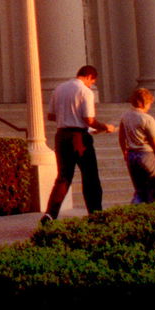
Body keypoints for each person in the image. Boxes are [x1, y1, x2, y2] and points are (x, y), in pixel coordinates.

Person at [42, 65, 117, 224]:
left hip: (61, 136)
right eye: (92, 82)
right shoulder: (85, 92)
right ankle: (95, 214)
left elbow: (51, 116)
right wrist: (105, 127)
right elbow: (89, 119)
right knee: (90, 177)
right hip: (79, 138)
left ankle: (50, 214)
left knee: (63, 177)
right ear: (89, 76)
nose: (91, 85)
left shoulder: (59, 89)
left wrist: (68, 119)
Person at [118, 87, 155, 203]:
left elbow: (121, 137)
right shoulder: (147, 119)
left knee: (139, 190)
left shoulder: (125, 116)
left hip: (132, 155)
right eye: (149, 104)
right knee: (152, 190)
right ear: (144, 103)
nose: (149, 107)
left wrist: (125, 152)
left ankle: (135, 212)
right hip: (146, 155)